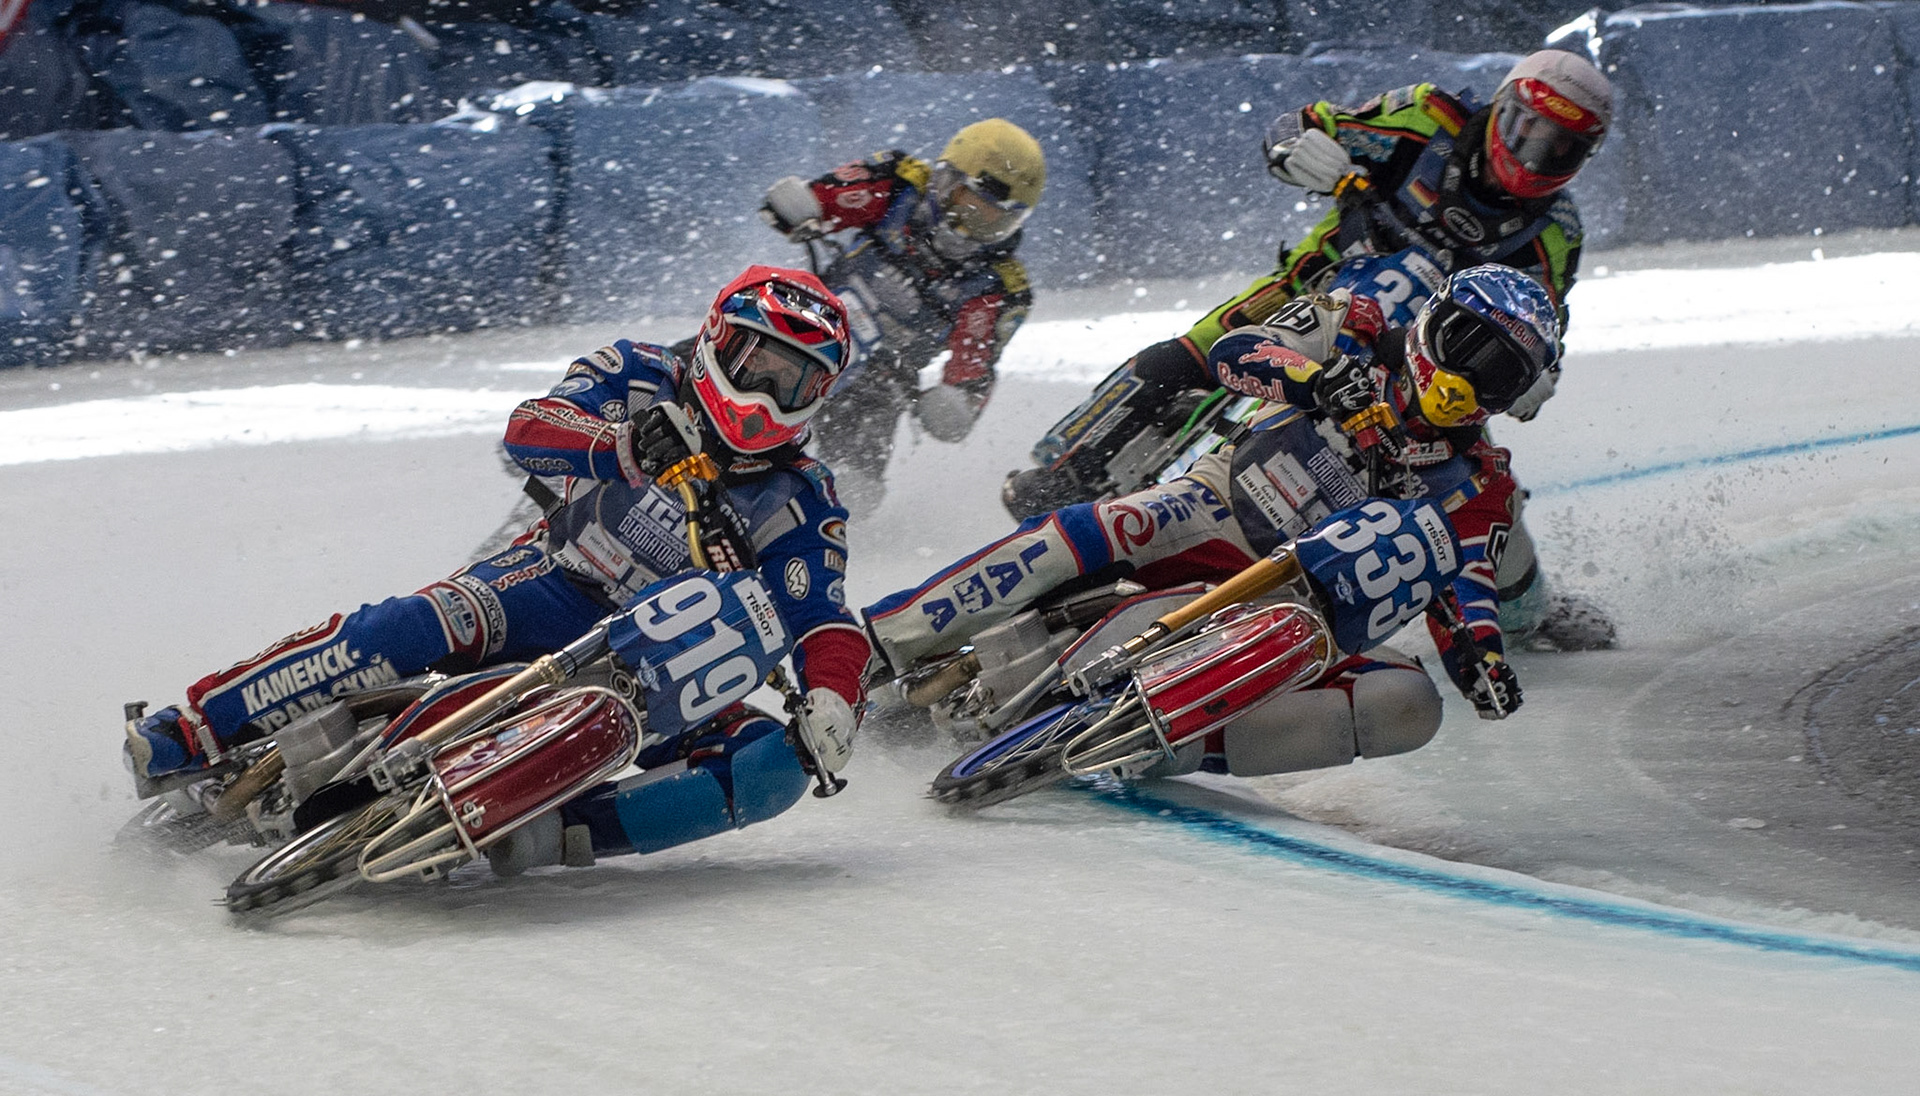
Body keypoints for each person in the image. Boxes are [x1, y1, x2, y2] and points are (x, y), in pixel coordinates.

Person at [126, 265, 873, 873]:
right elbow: (528, 427)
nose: (768, 393)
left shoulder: (806, 498)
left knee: (773, 769)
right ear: (716, 340)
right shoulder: (640, 372)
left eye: (795, 381)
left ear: (820, 395)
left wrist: (835, 701)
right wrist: (621, 447)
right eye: (757, 363)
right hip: (551, 582)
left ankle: (552, 833)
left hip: (663, 673)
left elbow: (825, 615)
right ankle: (194, 727)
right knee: (410, 626)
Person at [1001, 50, 1615, 651]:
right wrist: (1301, 150)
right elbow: (1303, 126)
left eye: (1558, 146)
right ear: (1500, 105)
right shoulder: (1428, 117)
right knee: (1176, 361)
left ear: (1581, 159)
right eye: (1525, 129)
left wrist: (1537, 377)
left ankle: (1525, 607)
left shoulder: (1556, 233)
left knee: (1475, 500)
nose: (1534, 153)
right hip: (1312, 298)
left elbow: (1542, 330)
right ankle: (1068, 475)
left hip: (1418, 375)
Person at [864, 264, 1555, 779]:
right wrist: (1316, 382)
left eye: (1497, 374)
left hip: (1305, 606)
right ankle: (884, 641)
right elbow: (1235, 354)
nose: (1467, 380)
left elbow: (1463, 580)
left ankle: (1163, 743)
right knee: (1091, 528)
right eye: (1468, 345)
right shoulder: (1354, 325)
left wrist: (1480, 655)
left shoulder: (1481, 484)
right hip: (1215, 505)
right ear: (1437, 320)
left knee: (1408, 702)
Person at [759, 118, 1045, 508]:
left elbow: (973, 372)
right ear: (946, 180)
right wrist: (801, 204)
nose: (975, 226)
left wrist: (955, 404)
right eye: (970, 206)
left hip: (880, 383)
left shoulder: (1000, 286)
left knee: (852, 495)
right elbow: (824, 200)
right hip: (806, 320)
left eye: (995, 219)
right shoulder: (899, 182)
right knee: (701, 363)